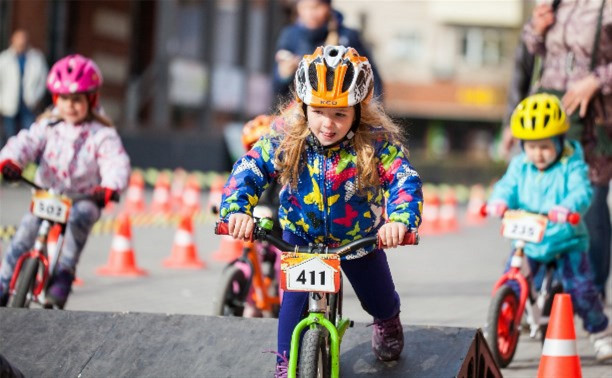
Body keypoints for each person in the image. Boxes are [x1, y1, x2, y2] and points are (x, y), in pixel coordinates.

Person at [218, 45, 423, 376]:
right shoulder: (287, 134)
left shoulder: (375, 141)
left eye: (340, 114)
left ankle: (387, 321)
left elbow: (403, 179)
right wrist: (237, 210)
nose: (328, 124)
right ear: (302, 106)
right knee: (291, 309)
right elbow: (251, 167)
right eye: (318, 112)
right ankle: (285, 365)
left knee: (380, 298)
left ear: (358, 111)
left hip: (359, 238)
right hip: (301, 237)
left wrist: (399, 220)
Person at [487, 93, 612, 362]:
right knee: (513, 273)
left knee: (581, 289)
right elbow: (507, 186)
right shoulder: (520, 165)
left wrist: (567, 208)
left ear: (559, 141)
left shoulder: (571, 163)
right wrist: (498, 202)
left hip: (566, 239)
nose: (537, 154)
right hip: (530, 240)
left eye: (544, 146)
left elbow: (581, 190)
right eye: (531, 147)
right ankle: (509, 310)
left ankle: (601, 332)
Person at [0, 54, 131, 308]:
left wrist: (110, 187)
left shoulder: (102, 133)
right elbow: (25, 143)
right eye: (64, 99)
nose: (70, 106)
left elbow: (116, 161)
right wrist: (10, 161)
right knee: (25, 232)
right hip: (48, 193)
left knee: (80, 219)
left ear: (92, 100)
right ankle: (4, 282)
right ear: (55, 99)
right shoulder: (48, 124)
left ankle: (64, 275)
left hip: (83, 197)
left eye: (77, 100)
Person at [504, 0, 612, 299]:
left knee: (590, 199)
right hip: (549, 114)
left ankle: (591, 290)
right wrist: (536, 30)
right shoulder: (555, 2)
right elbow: (527, 56)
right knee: (539, 194)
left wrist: (596, 81)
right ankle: (536, 286)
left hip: (594, 118)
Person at [273, 0, 383, 104]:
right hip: (301, 107)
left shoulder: (347, 36)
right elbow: (277, 86)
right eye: (305, 7)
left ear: (328, 7)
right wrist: (283, 75)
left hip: (341, 106)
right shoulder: (290, 35)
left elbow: (370, 76)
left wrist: (373, 110)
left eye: (316, 7)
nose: (310, 13)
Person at [0, 29, 48, 146]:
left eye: (24, 39)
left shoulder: (36, 58)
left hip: (28, 104)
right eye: (19, 39)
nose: (22, 42)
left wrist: (37, 97)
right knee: (10, 136)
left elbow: (43, 80)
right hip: (9, 104)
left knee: (29, 135)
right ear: (13, 40)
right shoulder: (4, 58)